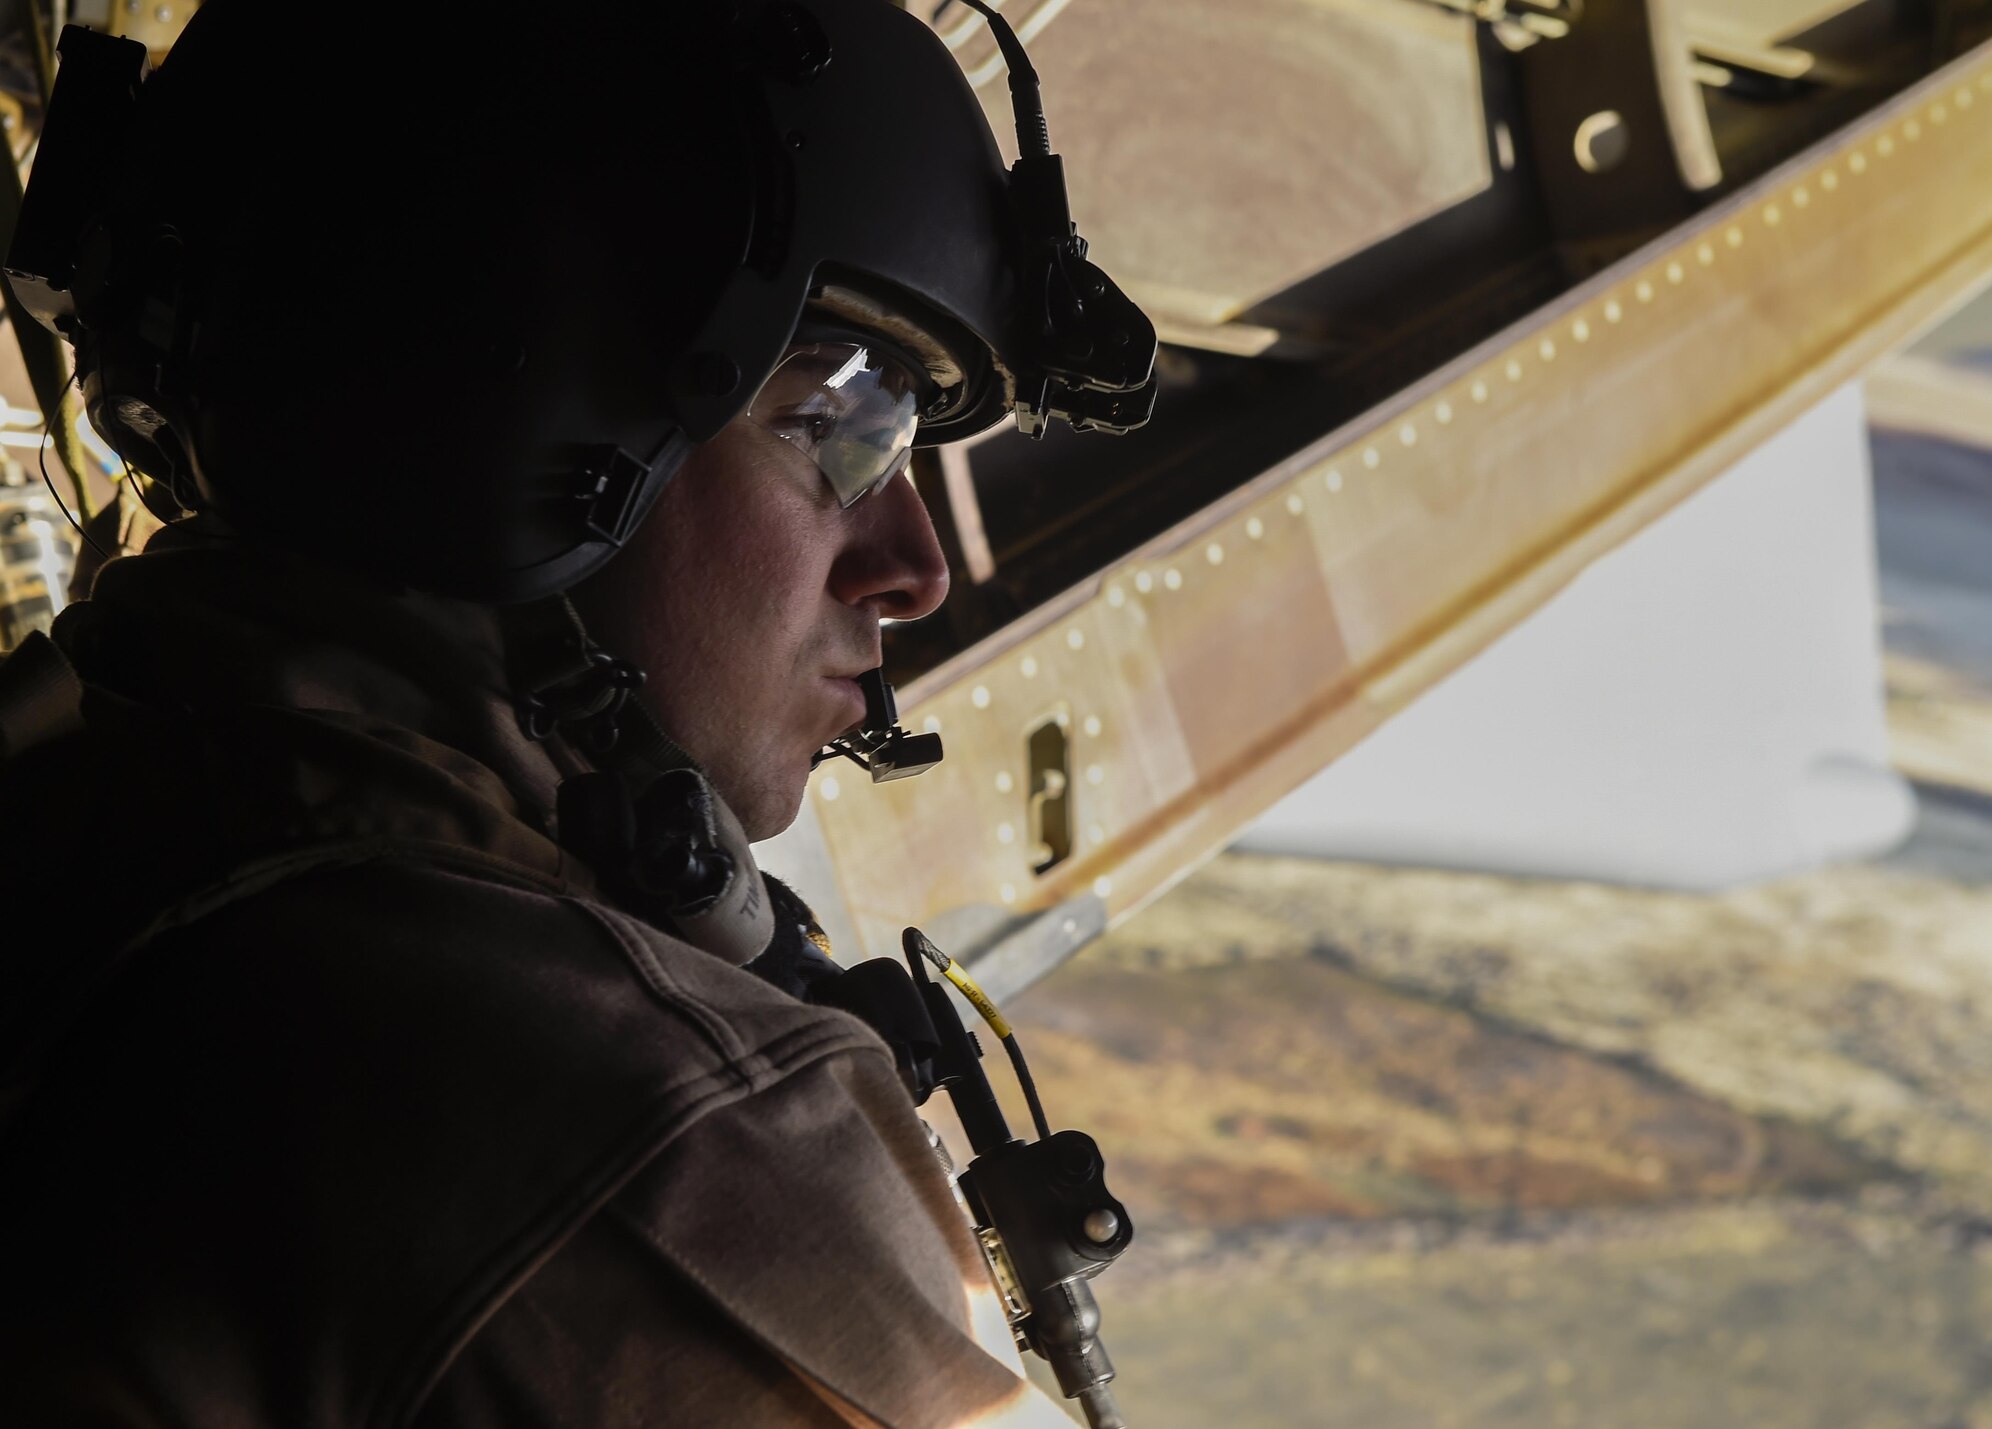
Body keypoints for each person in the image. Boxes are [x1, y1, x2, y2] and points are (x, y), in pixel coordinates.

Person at [0, 2, 1155, 1426]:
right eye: (838, 424)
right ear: (506, 393)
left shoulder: (97, 800)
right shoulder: (639, 1145)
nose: (915, 569)